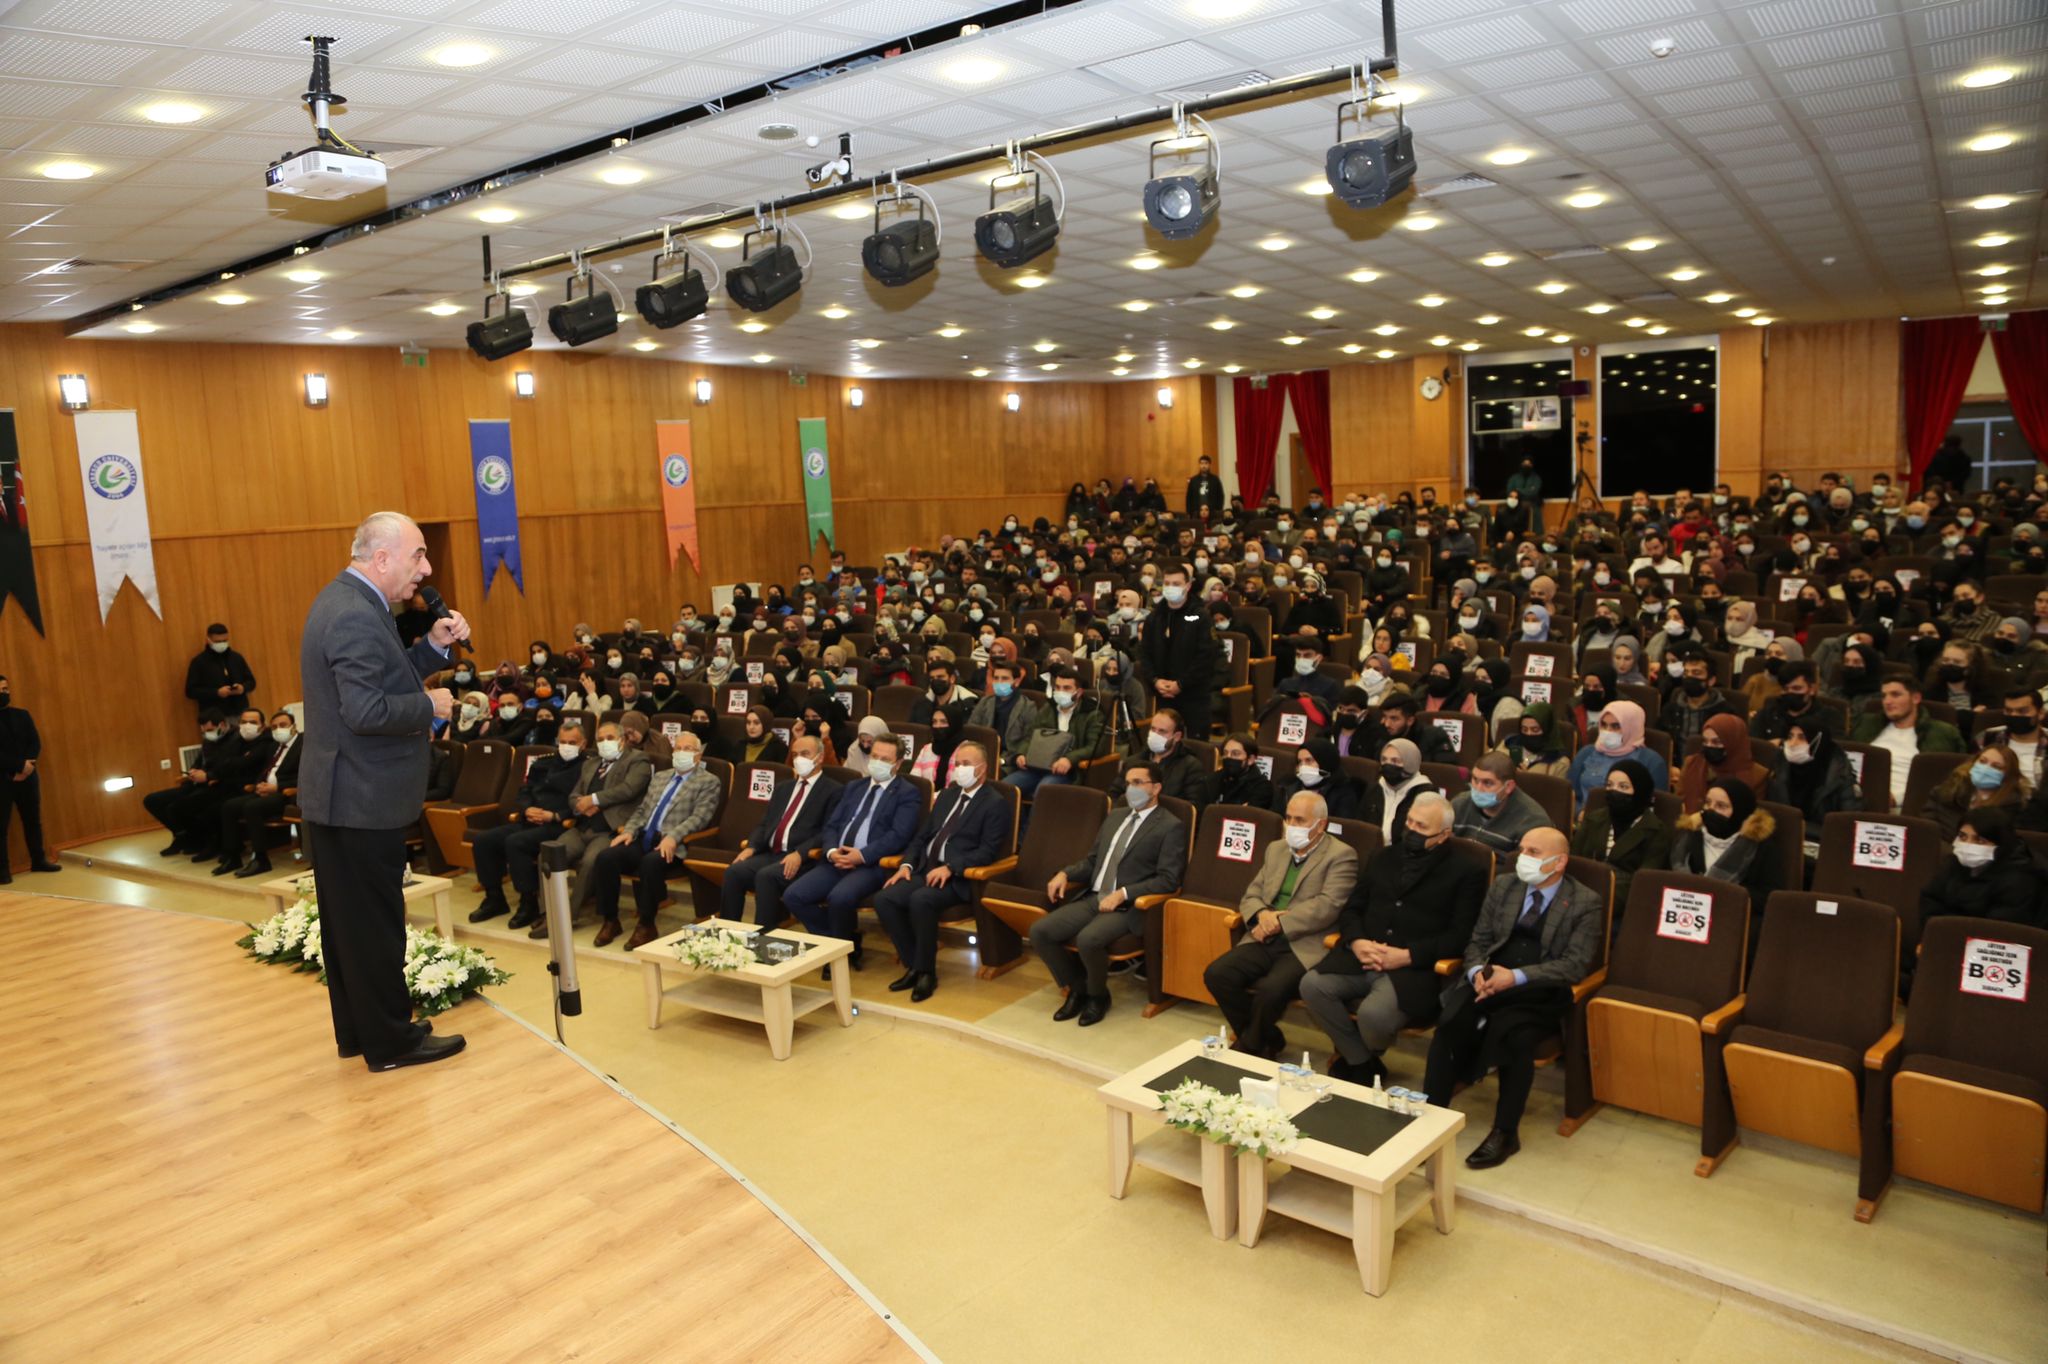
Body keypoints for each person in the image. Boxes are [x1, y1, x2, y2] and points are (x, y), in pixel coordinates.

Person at [298, 512, 469, 1071]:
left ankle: (362, 1033)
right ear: (382, 559)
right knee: (373, 926)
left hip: (344, 794)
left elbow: (380, 678)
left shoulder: (351, 601)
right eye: (418, 555)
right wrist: (431, 706)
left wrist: (430, 650)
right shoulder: (354, 613)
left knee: (349, 926)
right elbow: (367, 710)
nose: (427, 567)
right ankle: (392, 1043)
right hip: (360, 796)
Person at [1424, 827, 1603, 1169]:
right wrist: (1477, 972)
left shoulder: (1584, 902)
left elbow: (1573, 965)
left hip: (1539, 989)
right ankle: (1430, 1115)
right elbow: (1478, 940)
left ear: (1559, 861)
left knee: (1514, 1036)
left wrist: (1516, 977)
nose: (1522, 858)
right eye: (1522, 850)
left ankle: (1505, 1132)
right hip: (1490, 979)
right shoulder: (1505, 886)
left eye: (1533, 853)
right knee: (1450, 1022)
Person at [1300, 792, 1483, 1083]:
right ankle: (1362, 1062)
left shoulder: (1467, 871)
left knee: (1375, 1015)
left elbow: (1461, 935)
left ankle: (1361, 1057)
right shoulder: (1383, 856)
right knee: (1312, 985)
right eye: (1409, 821)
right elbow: (1352, 909)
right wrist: (1357, 942)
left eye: (1422, 827)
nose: (1410, 830)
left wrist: (1408, 955)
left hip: (1412, 968)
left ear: (1443, 835)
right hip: (1362, 955)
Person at [1029, 762, 1188, 1026]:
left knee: (1088, 939)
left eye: (1138, 783)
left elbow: (1169, 880)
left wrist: (1124, 893)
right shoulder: (1116, 816)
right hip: (1094, 896)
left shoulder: (1170, 826)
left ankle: (1097, 996)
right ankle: (1078, 989)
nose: (1130, 788)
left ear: (1156, 788)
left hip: (1129, 906)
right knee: (1040, 931)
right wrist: (1065, 873)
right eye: (1127, 783)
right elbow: (1093, 861)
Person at [1202, 791, 1359, 1058]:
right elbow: (1251, 894)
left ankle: (1249, 1047)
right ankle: (1268, 1038)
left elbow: (1327, 906)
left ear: (1320, 825)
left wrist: (1278, 923)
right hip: (1263, 935)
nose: (1291, 826)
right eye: (1288, 818)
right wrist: (1263, 915)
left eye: (1300, 820)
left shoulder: (1342, 855)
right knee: (1217, 974)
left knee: (1270, 990)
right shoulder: (1276, 849)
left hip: (1305, 943)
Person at [874, 742, 1008, 1002]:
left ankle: (926, 973)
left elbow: (987, 851)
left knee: (921, 899)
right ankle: (914, 964)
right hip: (926, 870)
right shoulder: (947, 795)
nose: (960, 769)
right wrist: (906, 865)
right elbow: (922, 837)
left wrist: (951, 867)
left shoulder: (994, 803)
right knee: (885, 898)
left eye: (966, 764)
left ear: (983, 769)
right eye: (957, 764)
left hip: (959, 879)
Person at [782, 735, 921, 964]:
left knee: (840, 898)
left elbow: (898, 836)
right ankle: (840, 946)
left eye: (885, 759)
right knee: (794, 896)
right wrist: (830, 851)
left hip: (872, 864)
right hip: (837, 859)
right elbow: (832, 825)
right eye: (874, 756)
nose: (877, 762)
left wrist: (862, 856)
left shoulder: (908, 793)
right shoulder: (854, 787)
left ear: (897, 764)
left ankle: (837, 954)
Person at [585, 731, 723, 949]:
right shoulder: (660, 777)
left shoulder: (708, 781)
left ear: (698, 756)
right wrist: (628, 831)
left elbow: (700, 817)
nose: (681, 753)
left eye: (687, 749)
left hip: (674, 844)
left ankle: (646, 924)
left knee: (650, 863)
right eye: (678, 748)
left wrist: (673, 837)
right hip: (644, 836)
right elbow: (642, 810)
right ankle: (610, 920)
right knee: (606, 857)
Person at [530, 719, 653, 937]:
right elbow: (574, 795)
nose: (604, 743)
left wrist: (594, 800)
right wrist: (580, 804)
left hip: (610, 829)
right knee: (547, 856)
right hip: (582, 827)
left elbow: (628, 790)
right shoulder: (591, 763)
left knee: (590, 862)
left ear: (622, 740)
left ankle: (566, 917)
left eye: (610, 738)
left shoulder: (638, 760)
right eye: (600, 740)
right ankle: (547, 912)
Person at [467, 718, 588, 931]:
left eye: (572, 742)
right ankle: (494, 897)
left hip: (560, 825)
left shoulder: (587, 767)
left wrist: (556, 815)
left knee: (516, 842)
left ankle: (528, 901)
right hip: (530, 819)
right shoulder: (543, 763)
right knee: (484, 840)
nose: (567, 746)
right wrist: (526, 809)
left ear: (583, 744)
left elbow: (583, 801)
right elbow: (524, 791)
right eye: (563, 741)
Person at [720, 736, 843, 928]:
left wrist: (800, 853)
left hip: (804, 858)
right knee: (734, 872)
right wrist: (751, 847)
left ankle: (762, 937)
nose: (798, 759)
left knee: (766, 876)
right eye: (795, 755)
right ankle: (725, 933)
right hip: (772, 853)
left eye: (805, 754)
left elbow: (828, 831)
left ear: (819, 758)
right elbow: (765, 824)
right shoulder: (783, 788)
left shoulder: (833, 790)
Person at [143, 707, 263, 861]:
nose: (208, 734)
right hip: (200, 782)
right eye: (204, 731)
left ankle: (201, 841)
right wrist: (193, 771)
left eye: (211, 729)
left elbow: (227, 766)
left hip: (219, 783)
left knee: (181, 807)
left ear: (222, 724)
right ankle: (182, 836)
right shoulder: (209, 740)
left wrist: (208, 776)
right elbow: (201, 761)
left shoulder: (236, 739)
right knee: (153, 800)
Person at [1668, 777, 1778, 937]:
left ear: (1740, 811)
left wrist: (1721, 895)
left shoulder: (1760, 846)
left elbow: (1768, 897)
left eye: (1721, 806)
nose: (1710, 810)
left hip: (1731, 921)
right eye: (1708, 803)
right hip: (1682, 917)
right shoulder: (1688, 836)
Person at [1569, 759, 1670, 929]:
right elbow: (1574, 860)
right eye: (1610, 785)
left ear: (1639, 791)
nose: (1614, 791)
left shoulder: (1656, 831)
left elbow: (1646, 883)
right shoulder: (1595, 819)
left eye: (1623, 787)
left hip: (1627, 906)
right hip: (1581, 894)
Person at [1917, 809, 2046, 939]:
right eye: (1963, 837)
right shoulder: (1953, 863)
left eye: (1979, 840)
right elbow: (1930, 898)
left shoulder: (2020, 879)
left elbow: (1997, 930)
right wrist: (1934, 936)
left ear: (2000, 843)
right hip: (1947, 938)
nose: (1967, 846)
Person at [1850, 678, 1967, 811]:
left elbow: (1947, 778)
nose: (1887, 701)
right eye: (1884, 696)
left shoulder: (1942, 733)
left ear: (1916, 698)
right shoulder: (1866, 725)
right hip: (1857, 798)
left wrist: (1895, 798)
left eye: (1895, 695)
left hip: (1909, 807)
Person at [211, 709, 303, 879]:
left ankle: (260, 859)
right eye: (274, 726)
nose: (278, 729)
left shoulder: (303, 744)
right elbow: (265, 770)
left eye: (283, 725)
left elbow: (304, 776)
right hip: (266, 790)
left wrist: (276, 787)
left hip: (286, 793)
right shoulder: (274, 745)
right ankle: (232, 855)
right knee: (229, 806)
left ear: (294, 727)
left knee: (252, 807)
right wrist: (258, 785)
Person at [1137, 563, 1219, 737]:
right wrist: (1154, 680)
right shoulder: (1154, 617)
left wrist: (1181, 684)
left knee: (1195, 748)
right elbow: (1145, 653)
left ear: (1188, 586)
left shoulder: (1200, 615)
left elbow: (1206, 656)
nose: (1170, 588)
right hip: (1163, 694)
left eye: (1176, 584)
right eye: (1167, 584)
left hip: (1193, 696)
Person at [1004, 665, 1104, 798]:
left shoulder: (1092, 714)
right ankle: (1017, 819)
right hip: (1037, 766)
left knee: (1043, 791)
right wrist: (1021, 754)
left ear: (1078, 692)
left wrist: (1069, 759)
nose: (1060, 691)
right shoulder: (1048, 709)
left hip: (1068, 771)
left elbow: (1095, 747)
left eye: (1066, 688)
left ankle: (1035, 820)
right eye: (1057, 687)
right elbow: (1030, 737)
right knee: (1006, 787)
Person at [1450, 753, 1557, 871]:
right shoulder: (1460, 803)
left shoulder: (1532, 820)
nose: (1478, 788)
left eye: (1488, 783)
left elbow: (1524, 871)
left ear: (1509, 787)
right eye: (1475, 780)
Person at [0, 675, 58, 880]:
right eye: (0, 690)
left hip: (28, 776)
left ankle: (38, 860)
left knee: (33, 821)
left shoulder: (22, 715)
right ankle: (2, 871)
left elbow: (35, 742)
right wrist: (17, 767)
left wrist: (28, 766)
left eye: (6, 689)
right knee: (1, 826)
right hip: (3, 780)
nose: (4, 693)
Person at [1566, 697, 1668, 806]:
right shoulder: (1586, 753)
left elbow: (1656, 806)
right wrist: (1580, 813)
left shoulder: (1651, 761)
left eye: (1615, 726)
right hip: (1585, 818)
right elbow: (1570, 796)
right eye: (1604, 725)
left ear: (1631, 728)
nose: (1608, 731)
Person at [1922, 744, 2030, 841]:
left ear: (2008, 776)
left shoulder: (2013, 806)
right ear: (1973, 763)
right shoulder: (1946, 792)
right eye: (1982, 761)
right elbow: (1927, 832)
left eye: (1996, 766)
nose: (1986, 769)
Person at [1767, 718, 1860, 828]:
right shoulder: (1779, 766)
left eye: (1802, 738)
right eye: (1790, 737)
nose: (1792, 744)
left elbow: (1850, 822)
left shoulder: (1840, 775)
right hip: (1785, 835)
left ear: (1818, 742)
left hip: (1823, 838)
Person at [1677, 713, 1768, 814]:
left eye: (1716, 742)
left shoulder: (1757, 775)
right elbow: (1678, 803)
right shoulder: (1692, 764)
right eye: (1705, 741)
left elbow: (1752, 817)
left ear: (1733, 743)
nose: (1709, 746)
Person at [1362, 737, 1437, 844]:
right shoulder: (1374, 789)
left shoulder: (1426, 793)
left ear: (1411, 763)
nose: (1388, 765)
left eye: (1395, 761)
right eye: (1384, 760)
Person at [1976, 686, 2046, 789]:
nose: (2014, 715)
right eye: (2008, 711)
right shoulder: (1987, 737)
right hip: (1994, 797)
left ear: (2040, 713)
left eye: (2022, 711)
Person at [183, 622, 256, 719]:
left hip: (240, 713)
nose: (222, 644)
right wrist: (216, 692)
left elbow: (251, 682)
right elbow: (190, 691)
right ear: (208, 640)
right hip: (214, 717)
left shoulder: (236, 658)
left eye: (225, 640)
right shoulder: (199, 662)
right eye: (217, 641)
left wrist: (242, 688)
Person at [1491, 702, 1571, 778]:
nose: (1529, 734)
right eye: (1524, 729)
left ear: (1548, 730)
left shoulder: (1560, 763)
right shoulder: (1507, 745)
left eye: (1535, 730)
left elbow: (1555, 791)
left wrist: (1528, 780)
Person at [1210, 733, 1273, 808]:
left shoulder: (1262, 788)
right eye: (1225, 753)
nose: (1228, 757)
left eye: (1235, 754)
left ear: (1250, 759)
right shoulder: (1214, 779)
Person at [1186, 454, 1224, 520]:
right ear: (1199, 465)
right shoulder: (1193, 480)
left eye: (1206, 463)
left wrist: (1218, 509)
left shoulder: (1215, 479)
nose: (1204, 466)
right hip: (1196, 512)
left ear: (1209, 465)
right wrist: (1189, 512)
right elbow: (1189, 497)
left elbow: (1220, 495)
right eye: (1202, 463)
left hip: (1212, 512)